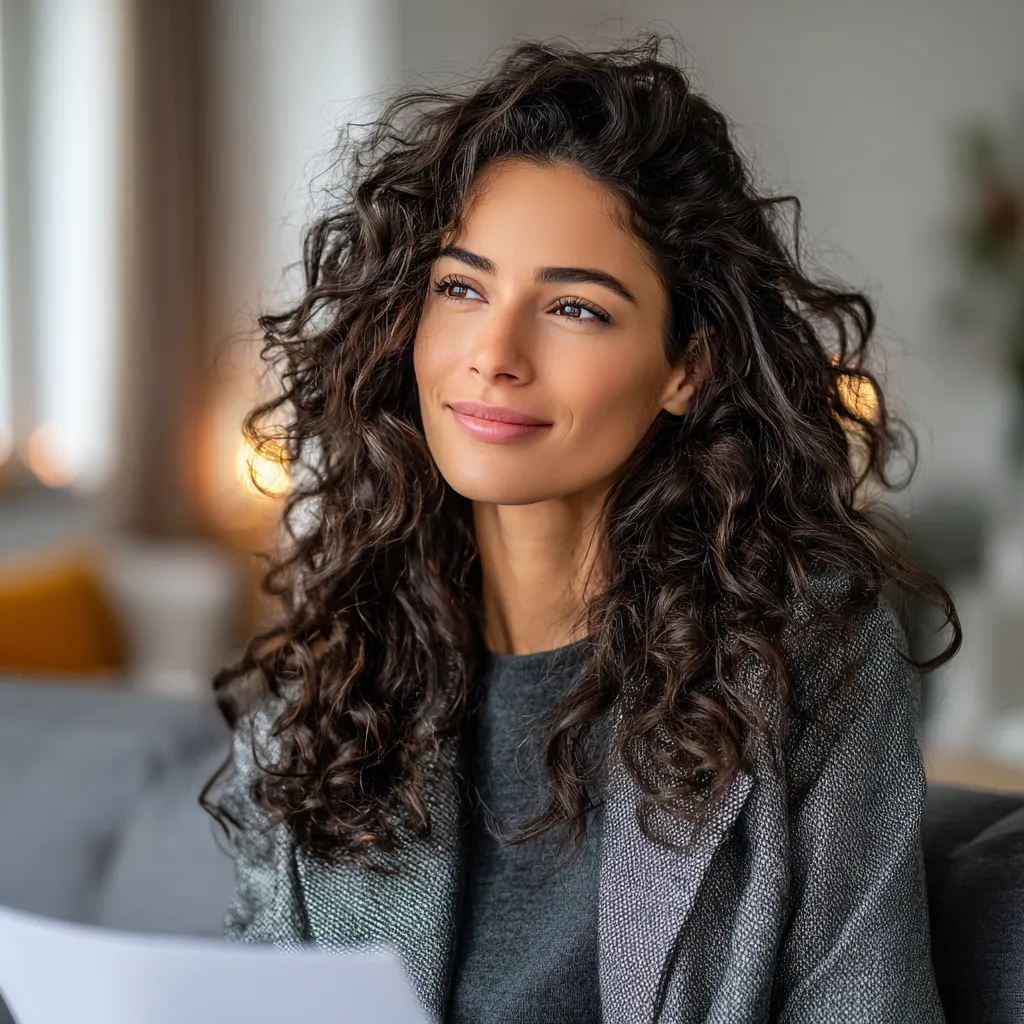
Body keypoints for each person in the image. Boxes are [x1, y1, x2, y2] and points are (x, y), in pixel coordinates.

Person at [200, 31, 960, 1024]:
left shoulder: (811, 664)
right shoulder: (332, 671)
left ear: (685, 366)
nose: (494, 354)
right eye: (461, 288)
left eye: (574, 308)